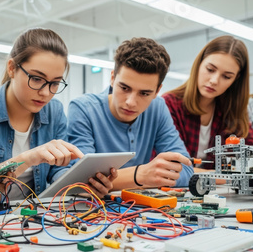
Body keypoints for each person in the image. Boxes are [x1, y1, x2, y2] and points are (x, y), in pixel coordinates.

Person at [0, 28, 116, 199]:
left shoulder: (55, 111)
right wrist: (29, 158)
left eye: (55, 83)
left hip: (35, 217)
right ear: (12, 68)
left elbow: (58, 170)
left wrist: (82, 186)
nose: (46, 93)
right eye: (37, 79)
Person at [163, 36, 253, 173]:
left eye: (226, 76)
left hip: (220, 193)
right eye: (210, 69)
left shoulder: (232, 109)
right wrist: (225, 176)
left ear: (235, 79)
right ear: (199, 64)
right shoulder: (168, 105)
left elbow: (252, 151)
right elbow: (172, 168)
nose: (214, 80)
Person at [68, 37, 193, 190]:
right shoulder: (83, 109)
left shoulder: (158, 107)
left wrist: (118, 180)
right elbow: (80, 181)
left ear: (157, 91)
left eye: (145, 93)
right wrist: (139, 175)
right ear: (113, 78)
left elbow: (186, 169)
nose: (131, 102)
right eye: (125, 88)